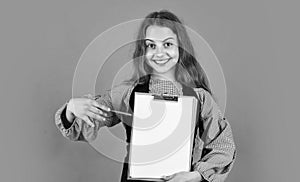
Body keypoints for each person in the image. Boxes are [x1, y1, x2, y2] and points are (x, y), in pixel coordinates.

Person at [55, 10, 236, 182]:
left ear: (181, 47)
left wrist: (195, 175)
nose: (159, 53)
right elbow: (87, 123)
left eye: (167, 44)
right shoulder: (127, 94)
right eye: (151, 45)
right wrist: (72, 110)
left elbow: (223, 144)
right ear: (143, 50)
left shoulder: (200, 99)